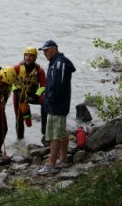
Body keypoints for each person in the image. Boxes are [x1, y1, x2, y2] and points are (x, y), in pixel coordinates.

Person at [37, 40, 76, 175]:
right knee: (61, 132)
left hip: (57, 106)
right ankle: (63, 158)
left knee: (55, 135)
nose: (45, 53)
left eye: (47, 50)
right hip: (56, 105)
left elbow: (58, 84)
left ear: (54, 49)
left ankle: (51, 164)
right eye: (44, 51)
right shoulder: (55, 62)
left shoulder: (59, 63)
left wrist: (51, 99)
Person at [12, 47, 47, 140]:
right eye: (26, 55)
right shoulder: (17, 67)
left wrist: (36, 95)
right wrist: (17, 91)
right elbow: (9, 82)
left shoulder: (39, 70)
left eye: (31, 56)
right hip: (19, 95)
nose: (28, 58)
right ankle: (20, 139)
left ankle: (44, 129)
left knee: (45, 102)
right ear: (24, 56)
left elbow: (44, 86)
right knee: (19, 118)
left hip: (33, 94)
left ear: (35, 58)